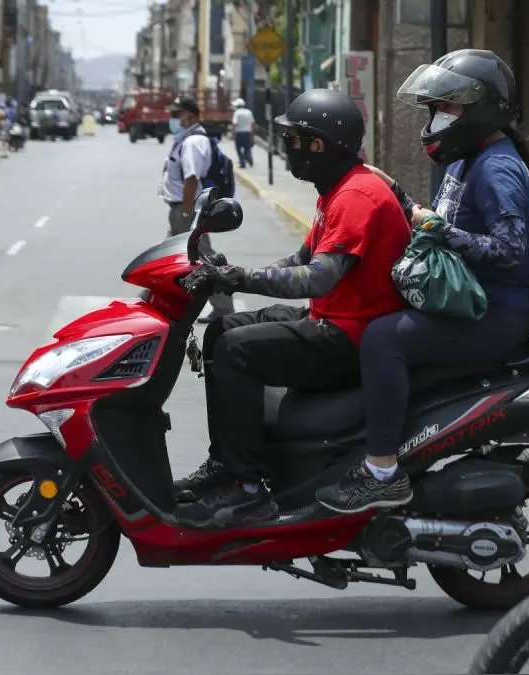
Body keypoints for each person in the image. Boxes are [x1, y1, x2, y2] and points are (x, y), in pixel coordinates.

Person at [313, 49, 529, 513]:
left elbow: (508, 251)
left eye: (447, 107)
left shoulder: (497, 168)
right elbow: (439, 218)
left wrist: (436, 228)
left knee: (384, 339)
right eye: (436, 108)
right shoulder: (467, 159)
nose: (437, 118)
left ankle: (382, 471)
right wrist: (397, 196)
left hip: (493, 312)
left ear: (479, 108)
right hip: (466, 301)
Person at [172, 89, 412, 527]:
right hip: (328, 318)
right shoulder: (335, 189)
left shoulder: (357, 195)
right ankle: (227, 463)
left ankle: (244, 488)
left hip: (348, 336)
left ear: (319, 144)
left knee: (236, 351)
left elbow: (319, 277)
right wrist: (230, 271)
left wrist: (243, 279)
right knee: (220, 331)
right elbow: (301, 259)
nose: (289, 148)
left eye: (296, 139)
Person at [158, 96, 235, 323]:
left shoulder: (192, 142)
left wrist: (186, 212)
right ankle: (157, 302)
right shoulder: (187, 138)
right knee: (165, 257)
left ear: (189, 116)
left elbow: (191, 178)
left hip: (187, 209)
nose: (172, 119)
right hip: (185, 208)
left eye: (176, 114)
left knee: (204, 259)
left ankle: (223, 308)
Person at [231, 98, 256, 169]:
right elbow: (253, 124)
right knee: (247, 147)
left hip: (239, 134)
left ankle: (242, 163)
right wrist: (252, 135)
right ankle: (248, 156)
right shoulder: (248, 112)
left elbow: (234, 124)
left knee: (238, 149)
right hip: (248, 133)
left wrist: (233, 134)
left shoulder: (237, 113)